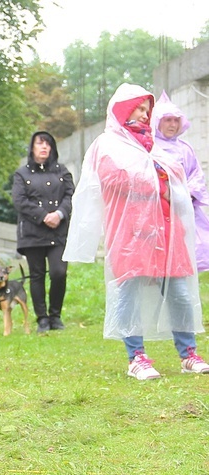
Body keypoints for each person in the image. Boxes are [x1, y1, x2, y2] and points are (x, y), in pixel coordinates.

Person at [63, 82, 208, 380]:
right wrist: (158, 183)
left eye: (146, 110)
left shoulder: (154, 145)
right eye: (138, 109)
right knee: (128, 294)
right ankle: (136, 357)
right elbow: (114, 180)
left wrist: (161, 181)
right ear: (122, 110)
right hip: (132, 234)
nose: (143, 115)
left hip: (167, 232)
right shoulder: (108, 145)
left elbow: (177, 175)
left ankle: (188, 354)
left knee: (180, 293)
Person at [12, 131, 74, 334]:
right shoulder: (22, 174)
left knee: (59, 272)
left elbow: (70, 195)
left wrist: (59, 213)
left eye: (48, 144)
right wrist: (43, 215)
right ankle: (42, 319)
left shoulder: (62, 171)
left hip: (59, 230)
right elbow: (20, 200)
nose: (44, 147)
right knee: (36, 275)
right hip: (33, 230)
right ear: (32, 147)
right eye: (40, 143)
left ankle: (55, 315)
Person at [151, 90, 209, 272]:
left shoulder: (186, 149)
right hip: (158, 209)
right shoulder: (149, 147)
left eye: (176, 120)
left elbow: (197, 176)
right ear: (158, 121)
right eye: (168, 120)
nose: (172, 124)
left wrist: (185, 194)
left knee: (184, 257)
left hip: (184, 209)